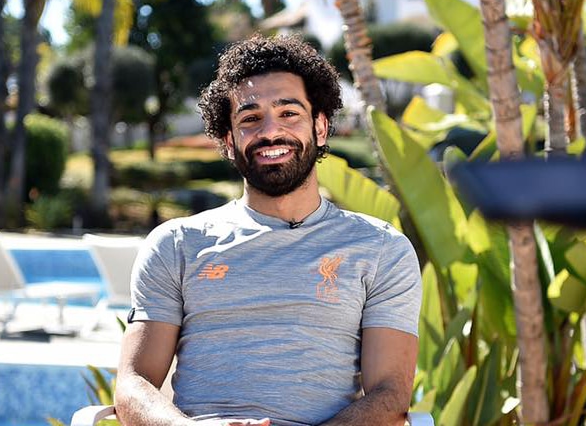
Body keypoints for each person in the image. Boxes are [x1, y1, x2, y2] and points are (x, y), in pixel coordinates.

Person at [114, 34, 422, 426]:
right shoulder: (176, 245)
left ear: (320, 127)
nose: (270, 131)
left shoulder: (380, 249)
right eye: (250, 119)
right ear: (228, 141)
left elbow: (390, 395)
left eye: (289, 113)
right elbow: (133, 384)